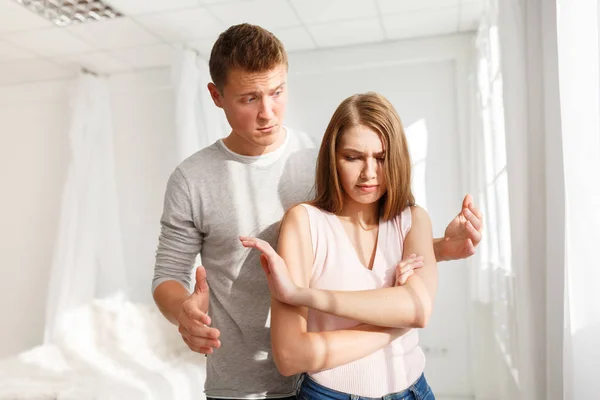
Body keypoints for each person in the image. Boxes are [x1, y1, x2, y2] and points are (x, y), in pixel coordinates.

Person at [152, 23, 483, 400]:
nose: (267, 113)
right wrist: (184, 313)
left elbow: (365, 238)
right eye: (249, 98)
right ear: (217, 95)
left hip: (327, 372)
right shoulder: (191, 179)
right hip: (245, 384)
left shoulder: (325, 160)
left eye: (277, 92)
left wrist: (440, 248)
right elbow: (167, 274)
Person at [241, 92, 437, 399]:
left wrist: (302, 295)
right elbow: (291, 356)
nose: (369, 173)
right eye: (353, 157)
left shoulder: (412, 220)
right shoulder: (304, 222)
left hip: (414, 391)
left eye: (381, 157)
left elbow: (418, 311)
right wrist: (396, 321)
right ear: (333, 158)